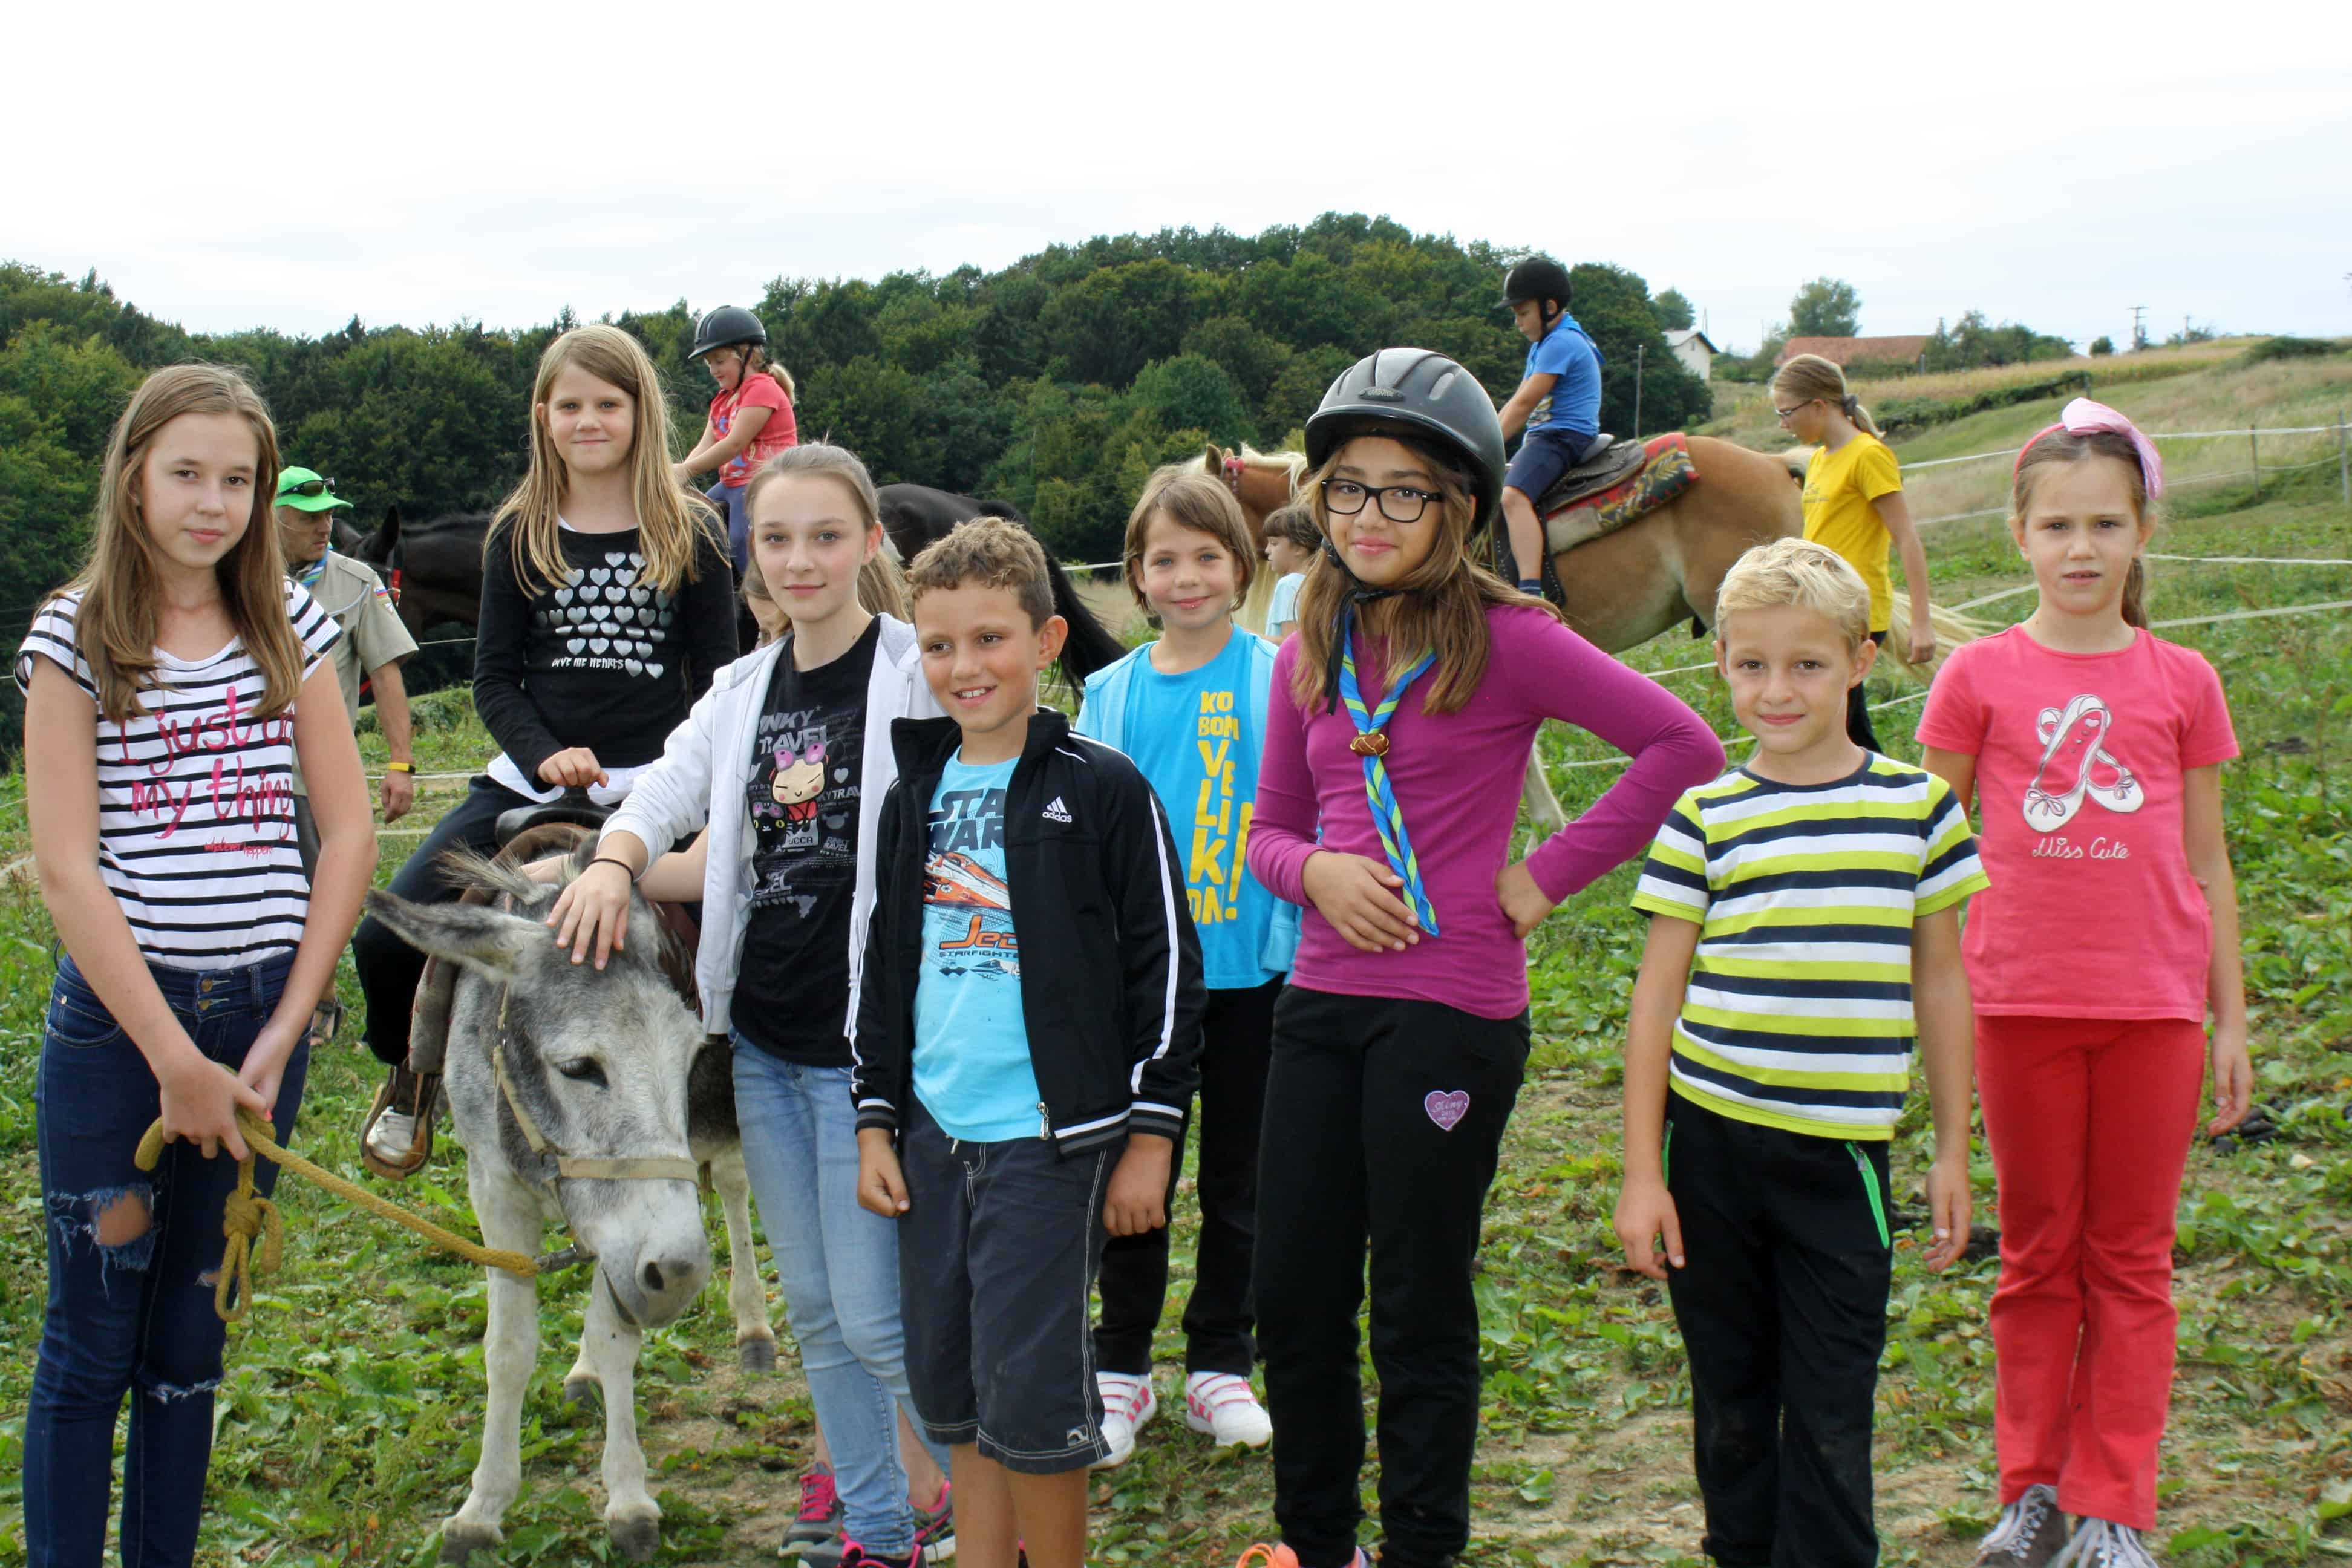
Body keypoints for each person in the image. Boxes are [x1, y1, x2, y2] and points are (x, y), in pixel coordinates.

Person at [1236, 348, 1725, 1568]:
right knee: (1292, 1301)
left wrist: (1542, 876)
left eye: (1406, 491)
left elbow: (1682, 746)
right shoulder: (1314, 646)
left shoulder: (1511, 639)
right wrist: (1318, 876)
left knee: (1415, 1307)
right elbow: (1270, 834)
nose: (1371, 515)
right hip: (1321, 1009)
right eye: (1348, 488)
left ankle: (1419, 1552)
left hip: (1449, 1018)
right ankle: (1315, 1541)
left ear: (1460, 505)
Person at [547, 443, 952, 1567]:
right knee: (817, 1312)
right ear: (750, 561)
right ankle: (877, 1532)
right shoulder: (739, 690)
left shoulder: (921, 671)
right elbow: (667, 788)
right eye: (776, 540)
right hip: (765, 1044)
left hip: (875, 1054)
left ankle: (985, 1512)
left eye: (827, 536)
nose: (801, 559)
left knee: (876, 1318)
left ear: (871, 544)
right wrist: (611, 859)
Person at [17, 363, 377, 1565]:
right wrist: (171, 1057)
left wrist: (283, 1032)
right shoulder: (75, 634)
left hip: (261, 1018)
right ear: (133, 480)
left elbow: (350, 829)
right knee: (92, 1339)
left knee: (188, 1349)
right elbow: (66, 864)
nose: (212, 502)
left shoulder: (292, 624)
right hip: (126, 1040)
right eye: (187, 473)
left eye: (238, 479)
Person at [1918, 400, 2252, 1568]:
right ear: (2016, 533)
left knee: (2131, 1260)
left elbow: (2206, 862)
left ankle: (2113, 1503)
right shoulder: (1975, 676)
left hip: (2153, 1008)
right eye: (2056, 523)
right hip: (2014, 1004)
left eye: (2104, 523)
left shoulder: (2184, 680)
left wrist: (2228, 1019)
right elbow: (1929, 858)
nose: (2079, 548)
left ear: (2142, 529)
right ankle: (2032, 1493)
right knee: (2034, 1257)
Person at [1615, 537, 1986, 1568]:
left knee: (1830, 1403)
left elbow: (1942, 983)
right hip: (1711, 1157)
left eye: (1806, 664)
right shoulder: (1702, 818)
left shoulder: (1917, 811)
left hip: (1842, 1163)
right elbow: (1654, 1001)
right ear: (1721, 662)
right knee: (1731, 1399)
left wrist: (1950, 1148)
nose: (1776, 690)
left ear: (1860, 659)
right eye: (1750, 665)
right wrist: (1643, 1172)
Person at [852, 516, 1206, 1568]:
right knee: (950, 1380)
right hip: (929, 1138)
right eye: (940, 645)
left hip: (1051, 1142)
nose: (965, 667)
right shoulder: (909, 794)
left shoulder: (1100, 788)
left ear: (1047, 642)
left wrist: (1149, 1135)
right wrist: (877, 1118)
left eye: (990, 639)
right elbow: (881, 967)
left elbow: (1168, 968)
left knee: (1034, 1388)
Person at [350, 324, 738, 1177]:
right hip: (529, 779)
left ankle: (740, 1106)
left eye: (608, 403)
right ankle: (409, 1076)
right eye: (571, 405)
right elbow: (494, 680)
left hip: (659, 787)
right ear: (544, 416)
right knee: (386, 937)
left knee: (744, 937)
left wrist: (679, 775)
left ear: (641, 414)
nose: (588, 420)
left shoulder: (695, 531)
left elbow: (719, 682)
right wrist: (545, 754)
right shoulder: (516, 532)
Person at [1075, 471, 1298, 1465]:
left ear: (1242, 567)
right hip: (1142, 989)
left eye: (1207, 555)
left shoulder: (1285, 676)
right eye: (1164, 558)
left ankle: (1221, 1360)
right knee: (1132, 1174)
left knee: (1245, 1173)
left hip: (1255, 970)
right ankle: (1119, 1366)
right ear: (1135, 577)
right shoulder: (1106, 695)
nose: (1187, 574)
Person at [1772, 352, 1935, 750]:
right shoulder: (1820, 460)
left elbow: (1906, 537)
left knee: (1836, 726)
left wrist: (1921, 622)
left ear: (1818, 406)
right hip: (1821, 607)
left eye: (1787, 411)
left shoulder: (1869, 456)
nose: (1783, 424)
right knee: (1842, 725)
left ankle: (1892, 801)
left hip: (1857, 611)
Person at [272, 465, 418, 844]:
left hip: (319, 783)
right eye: (309, 518)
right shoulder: (230, 581)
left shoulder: (357, 582)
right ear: (271, 519)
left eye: (328, 514)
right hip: (243, 784)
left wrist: (401, 765)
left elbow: (386, 674)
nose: (325, 527)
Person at [1494, 257, 1605, 595]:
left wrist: (1484, 445)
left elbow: (1525, 404)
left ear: (1550, 307)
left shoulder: (1562, 342)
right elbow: (1516, 403)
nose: (1518, 322)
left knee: (1512, 496)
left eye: (1523, 312)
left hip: (1562, 436)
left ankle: (1530, 588)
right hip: (1545, 435)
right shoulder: (1545, 343)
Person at [678, 303, 800, 573]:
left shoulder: (762, 390)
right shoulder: (722, 400)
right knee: (693, 519)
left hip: (764, 481)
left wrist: (685, 471)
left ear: (746, 355)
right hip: (732, 484)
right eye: (710, 363)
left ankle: (761, 600)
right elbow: (705, 445)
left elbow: (734, 443)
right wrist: (678, 477)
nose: (713, 370)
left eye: (719, 361)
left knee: (738, 540)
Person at [1260, 503, 1318, 641]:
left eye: (1274, 543)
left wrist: (1245, 636)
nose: (1267, 550)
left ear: (1299, 547)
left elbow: (1290, 645)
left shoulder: (1288, 585)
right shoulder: (1319, 584)